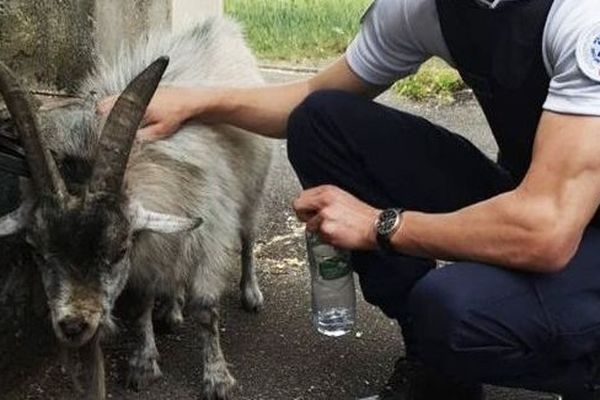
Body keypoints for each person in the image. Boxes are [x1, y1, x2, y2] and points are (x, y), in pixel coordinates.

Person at [99, 0, 600, 398]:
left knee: (453, 312)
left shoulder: (582, 18)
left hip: (561, 220)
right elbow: (312, 94)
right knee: (321, 122)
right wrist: (196, 102)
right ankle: (437, 370)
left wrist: (382, 226)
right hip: (538, 190)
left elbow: (544, 231)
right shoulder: (427, 8)